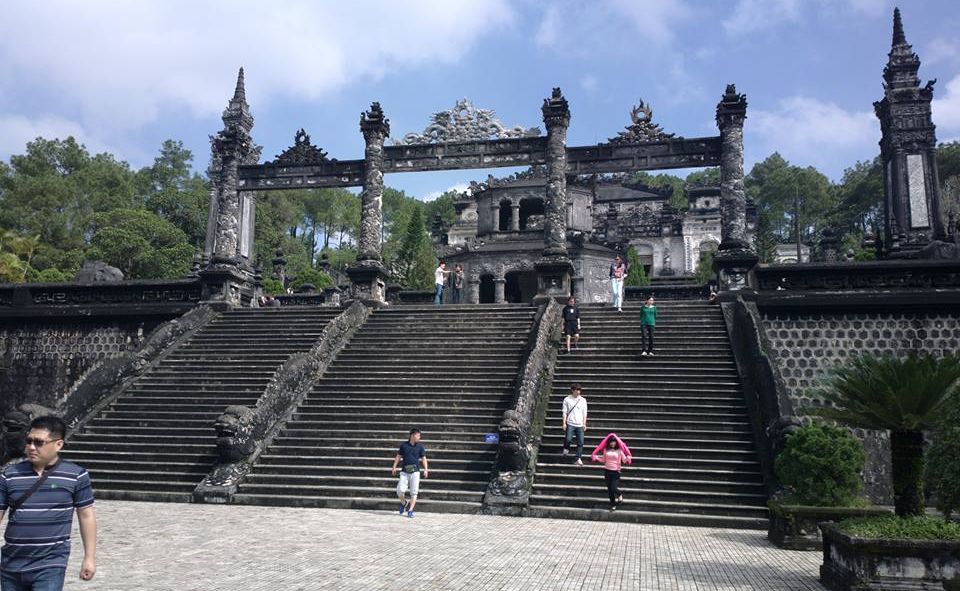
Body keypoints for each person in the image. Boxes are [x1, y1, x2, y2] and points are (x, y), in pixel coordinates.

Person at [0, 416, 96, 590]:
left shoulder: (76, 475)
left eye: (39, 442)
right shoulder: (10, 475)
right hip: (11, 564)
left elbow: (86, 515)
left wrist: (89, 557)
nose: (31, 447)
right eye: (28, 441)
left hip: (50, 564)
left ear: (58, 444)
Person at [391, 428, 429, 518]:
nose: (419, 437)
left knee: (414, 492)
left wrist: (426, 469)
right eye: (418, 435)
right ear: (412, 435)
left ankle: (410, 510)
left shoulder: (420, 447)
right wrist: (394, 467)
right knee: (400, 490)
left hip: (415, 472)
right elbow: (398, 456)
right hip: (404, 472)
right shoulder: (404, 445)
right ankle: (404, 503)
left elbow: (424, 458)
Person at [591, 433, 632, 511]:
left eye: (614, 442)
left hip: (616, 472)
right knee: (610, 490)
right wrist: (596, 457)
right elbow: (604, 460)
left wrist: (628, 458)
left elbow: (623, 460)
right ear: (609, 443)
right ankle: (613, 505)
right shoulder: (606, 450)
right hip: (607, 471)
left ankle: (620, 494)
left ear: (616, 442)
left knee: (613, 488)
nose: (613, 443)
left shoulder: (620, 450)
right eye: (611, 442)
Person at [561, 384, 588, 465]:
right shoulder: (567, 399)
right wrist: (564, 423)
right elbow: (564, 412)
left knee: (581, 442)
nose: (578, 392)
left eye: (579, 390)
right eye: (576, 390)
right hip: (570, 423)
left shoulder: (583, 400)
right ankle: (566, 447)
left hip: (580, 424)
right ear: (572, 390)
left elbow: (585, 413)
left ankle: (578, 458)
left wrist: (584, 424)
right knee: (568, 439)